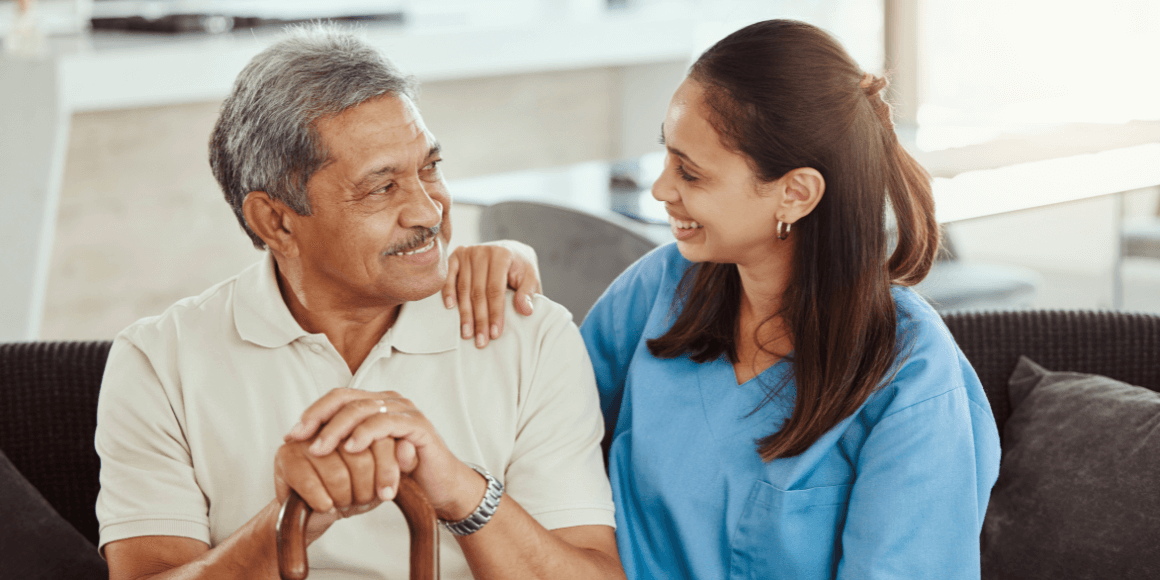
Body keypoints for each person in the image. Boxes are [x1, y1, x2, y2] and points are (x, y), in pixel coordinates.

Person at [378, 18, 1002, 580]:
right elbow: (533, 427)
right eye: (666, 157)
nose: (659, 189)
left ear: (795, 194)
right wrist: (513, 266)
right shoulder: (660, 289)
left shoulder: (913, 378)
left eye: (691, 173)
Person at [94, 24, 624, 580]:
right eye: (382, 187)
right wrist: (293, 518)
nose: (429, 211)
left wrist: (461, 490)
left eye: (429, 168)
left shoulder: (530, 335)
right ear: (275, 221)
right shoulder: (159, 360)